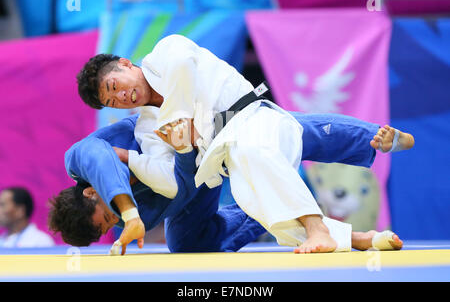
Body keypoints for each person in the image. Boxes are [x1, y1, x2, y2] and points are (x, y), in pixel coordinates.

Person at [76, 34, 413, 254]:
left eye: (115, 85)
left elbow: (183, 66)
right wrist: (161, 154)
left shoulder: (164, 52)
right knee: (251, 198)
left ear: (124, 64)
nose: (121, 96)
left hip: (253, 118)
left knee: (273, 145)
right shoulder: (149, 130)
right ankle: (354, 239)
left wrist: (180, 123)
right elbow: (168, 181)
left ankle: (322, 223)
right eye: (113, 101)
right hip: (225, 157)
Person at [48, 114, 403, 255]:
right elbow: (183, 187)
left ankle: (373, 136)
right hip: (191, 173)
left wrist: (125, 207)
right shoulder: (139, 213)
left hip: (208, 126)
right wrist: (184, 158)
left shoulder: (79, 159)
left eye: (108, 215)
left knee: (288, 134)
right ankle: (349, 237)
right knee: (186, 245)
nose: (119, 219)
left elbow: (101, 157)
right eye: (112, 224)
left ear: (91, 191)